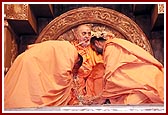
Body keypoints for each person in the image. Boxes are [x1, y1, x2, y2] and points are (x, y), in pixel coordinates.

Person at [4, 40, 83, 109]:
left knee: (19, 91)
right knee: (29, 96)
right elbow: (62, 74)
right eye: (75, 69)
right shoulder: (71, 52)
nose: (72, 72)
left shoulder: (64, 48)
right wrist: (69, 84)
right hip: (31, 64)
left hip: (24, 60)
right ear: (77, 61)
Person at [90, 36, 164, 104]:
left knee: (127, 106)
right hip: (148, 81)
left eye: (94, 49)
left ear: (97, 43)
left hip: (147, 83)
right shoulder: (119, 42)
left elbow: (111, 75)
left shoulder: (111, 48)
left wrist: (104, 96)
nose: (96, 52)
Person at [71, 24, 105, 102]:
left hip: (93, 77)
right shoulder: (71, 47)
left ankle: (97, 101)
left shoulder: (95, 47)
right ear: (76, 35)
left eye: (89, 34)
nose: (87, 36)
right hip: (78, 77)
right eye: (84, 33)